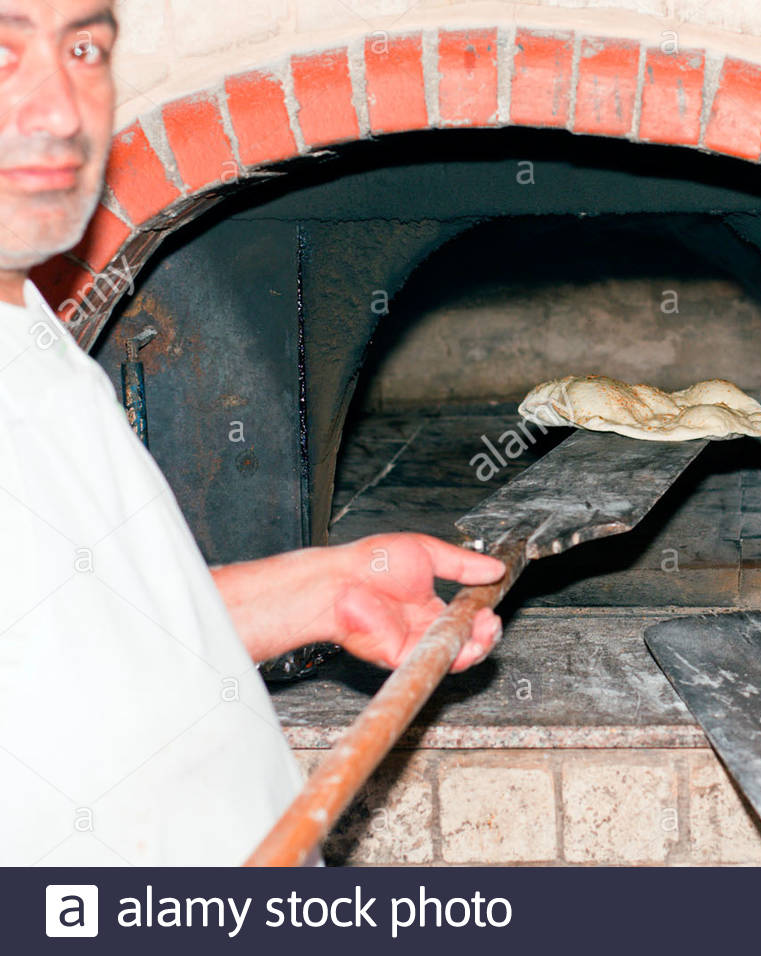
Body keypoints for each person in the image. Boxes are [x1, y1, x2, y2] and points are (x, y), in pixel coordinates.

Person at [0, 0, 505, 865]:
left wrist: (323, 588)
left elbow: (73, 642)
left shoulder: (28, 326)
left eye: (83, 47)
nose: (59, 108)